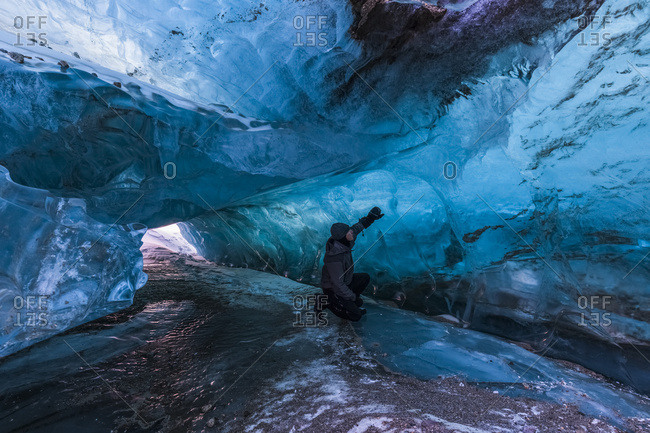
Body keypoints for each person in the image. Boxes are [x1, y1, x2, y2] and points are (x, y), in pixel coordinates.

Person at [319, 207, 384, 321]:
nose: (352, 232)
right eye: (349, 231)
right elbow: (338, 285)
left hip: (345, 281)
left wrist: (370, 218)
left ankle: (350, 301)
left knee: (365, 278)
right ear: (344, 236)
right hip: (333, 289)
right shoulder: (334, 258)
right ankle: (327, 301)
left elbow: (357, 227)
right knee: (355, 315)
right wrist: (352, 297)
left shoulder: (344, 239)